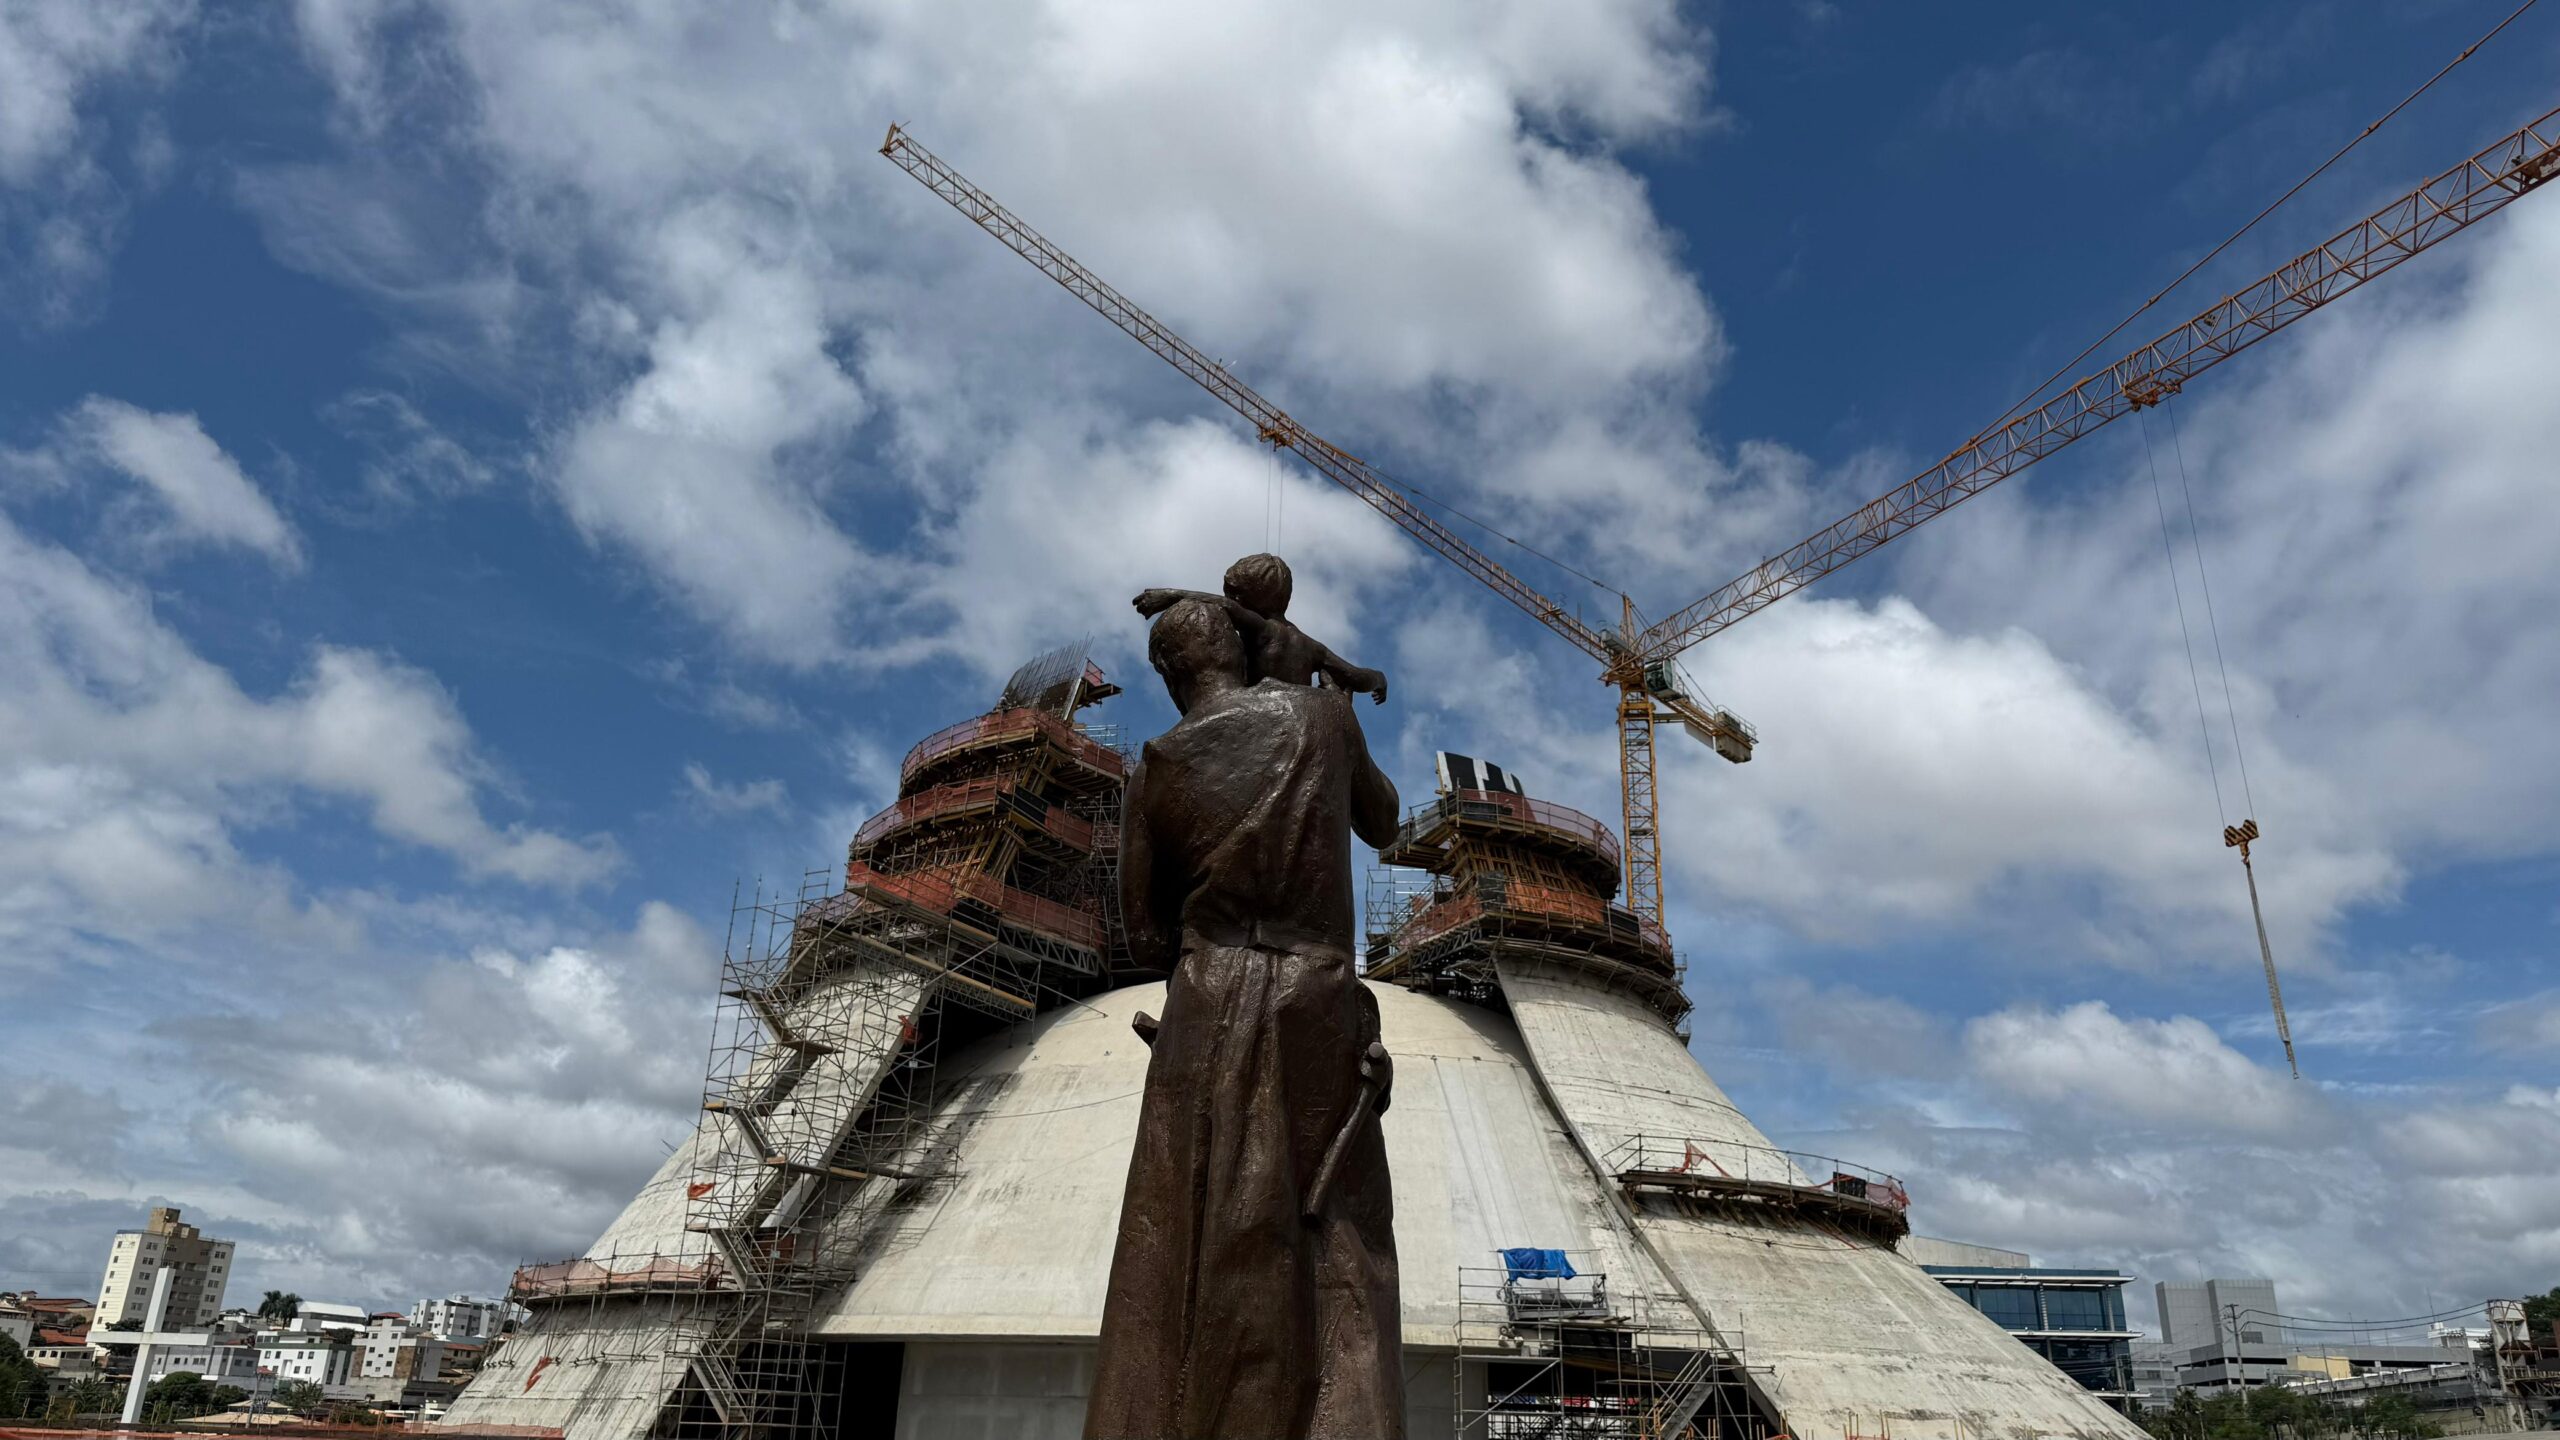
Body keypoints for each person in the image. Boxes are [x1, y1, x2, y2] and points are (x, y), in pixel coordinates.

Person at [1086, 597, 1403, 1440]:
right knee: (1341, 1240)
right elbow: (1387, 821)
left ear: (1167, 676)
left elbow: (1143, 927)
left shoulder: (1153, 767)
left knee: (1175, 1239)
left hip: (1205, 993)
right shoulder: (1324, 718)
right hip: (1317, 997)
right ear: (1245, 646)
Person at [1132, 552, 1388, 704]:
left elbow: (1224, 607)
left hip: (1263, 712)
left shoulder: (1264, 629)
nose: (1231, 600)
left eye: (1234, 595)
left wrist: (1169, 596)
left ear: (1245, 600)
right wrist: (1379, 678)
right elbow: (1355, 676)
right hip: (1301, 714)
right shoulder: (1312, 647)